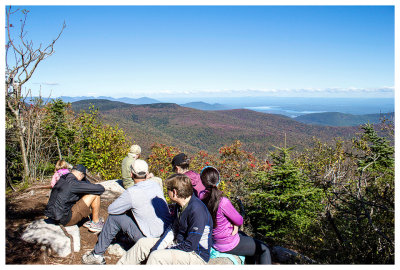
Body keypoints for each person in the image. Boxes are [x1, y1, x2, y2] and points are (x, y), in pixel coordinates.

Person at [82, 159, 172, 264]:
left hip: (148, 240)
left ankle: (96, 255)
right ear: (147, 174)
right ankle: (124, 238)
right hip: (166, 235)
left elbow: (112, 210)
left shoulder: (132, 192)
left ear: (131, 174)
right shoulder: (155, 185)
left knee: (114, 218)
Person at [116, 173, 213, 265]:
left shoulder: (197, 210)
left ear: (174, 192)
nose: (167, 192)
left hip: (196, 255)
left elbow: (190, 245)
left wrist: (165, 250)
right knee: (142, 244)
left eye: (168, 189)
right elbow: (173, 229)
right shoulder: (180, 206)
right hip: (179, 244)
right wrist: (158, 247)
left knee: (156, 257)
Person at [199, 166, 272, 264]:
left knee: (245, 237)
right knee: (264, 249)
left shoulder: (201, 197)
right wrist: (235, 224)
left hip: (214, 239)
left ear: (203, 182)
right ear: (218, 181)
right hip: (226, 242)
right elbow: (239, 220)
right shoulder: (223, 202)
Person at [44, 164, 105, 233]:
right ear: (81, 175)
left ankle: (88, 220)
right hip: (65, 219)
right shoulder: (74, 183)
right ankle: (95, 223)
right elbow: (100, 188)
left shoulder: (63, 178)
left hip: (53, 216)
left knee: (82, 193)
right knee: (95, 194)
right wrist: (86, 182)